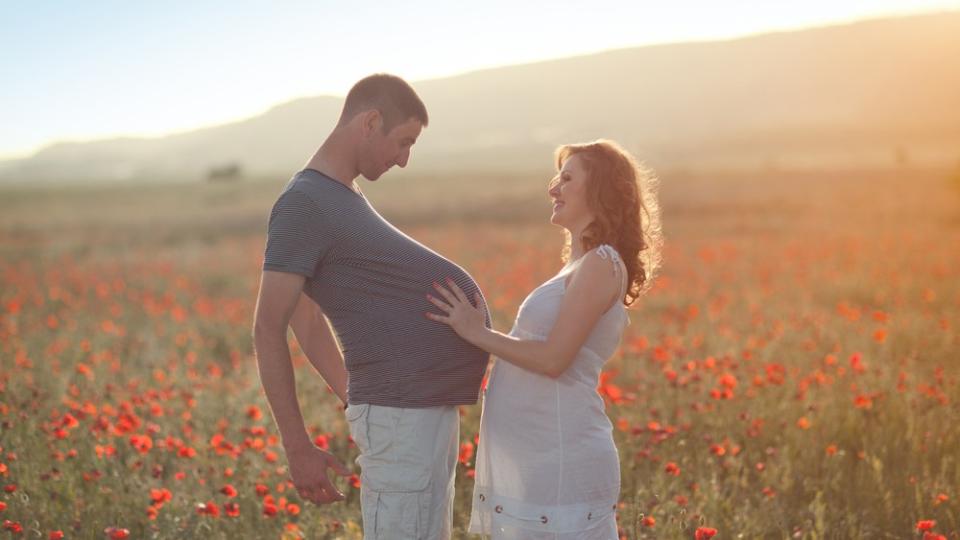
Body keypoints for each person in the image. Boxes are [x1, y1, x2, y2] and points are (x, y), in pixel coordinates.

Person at [253, 73, 489, 540]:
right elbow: (269, 328)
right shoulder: (304, 202)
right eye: (402, 142)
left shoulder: (341, 195)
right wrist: (298, 446)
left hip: (414, 413)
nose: (403, 160)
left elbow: (308, 316)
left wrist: (351, 394)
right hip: (399, 418)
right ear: (371, 121)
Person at [426, 139, 662, 539]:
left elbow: (554, 360)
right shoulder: (582, 265)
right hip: (542, 462)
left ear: (600, 190)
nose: (553, 188)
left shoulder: (601, 264)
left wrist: (477, 333)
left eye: (567, 178)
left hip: (561, 463)